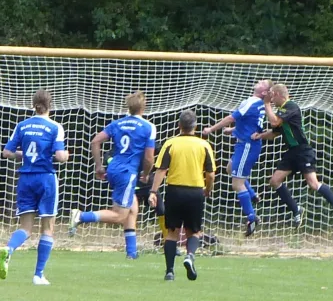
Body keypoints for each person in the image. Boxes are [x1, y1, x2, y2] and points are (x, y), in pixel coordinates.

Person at [68, 91, 156, 260]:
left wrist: (99, 165)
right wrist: (146, 174)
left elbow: (95, 141)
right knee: (119, 215)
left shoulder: (117, 123)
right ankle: (81, 216)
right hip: (127, 173)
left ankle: (132, 253)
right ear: (143, 107)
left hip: (114, 169)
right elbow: (148, 156)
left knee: (132, 208)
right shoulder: (148, 127)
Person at [252, 84, 333, 230]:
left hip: (303, 151)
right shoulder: (281, 111)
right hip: (292, 152)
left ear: (279, 94)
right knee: (274, 181)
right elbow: (274, 132)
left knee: (313, 183)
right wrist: (260, 136)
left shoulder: (290, 106)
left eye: (272, 96)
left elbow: (274, 121)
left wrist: (266, 104)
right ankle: (296, 209)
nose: (271, 99)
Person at [0, 90, 69, 285]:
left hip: (25, 179)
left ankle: (9, 249)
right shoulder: (55, 127)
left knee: (26, 228)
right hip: (45, 178)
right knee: (47, 228)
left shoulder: (22, 126)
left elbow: (6, 153)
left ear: (33, 105)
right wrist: (66, 155)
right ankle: (38, 275)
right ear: (50, 106)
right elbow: (61, 157)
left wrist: (25, 156)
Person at [148, 110, 216, 281]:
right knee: (194, 232)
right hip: (195, 191)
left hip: (174, 191)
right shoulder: (204, 145)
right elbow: (211, 173)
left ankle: (169, 271)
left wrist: (153, 191)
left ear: (179, 126)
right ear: (196, 126)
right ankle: (190, 256)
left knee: (172, 233)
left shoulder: (171, 144)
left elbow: (161, 170)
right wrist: (208, 189)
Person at [202, 79, 273, 236]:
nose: (259, 81)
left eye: (263, 82)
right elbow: (250, 122)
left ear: (263, 92)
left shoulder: (253, 102)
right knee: (230, 168)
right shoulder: (258, 105)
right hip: (246, 144)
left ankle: (251, 217)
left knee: (237, 184)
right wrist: (233, 130)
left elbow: (231, 117)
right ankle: (253, 195)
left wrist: (211, 129)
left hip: (247, 146)